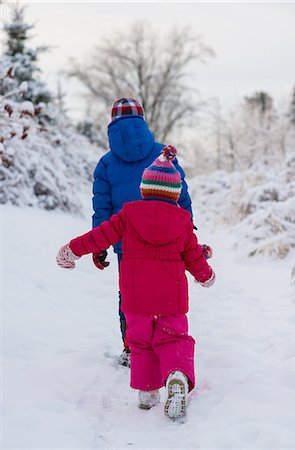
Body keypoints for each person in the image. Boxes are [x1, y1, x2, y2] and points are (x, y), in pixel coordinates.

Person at [57, 146, 215, 420]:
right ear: (176, 193)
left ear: (144, 189)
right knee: (174, 339)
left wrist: (71, 250)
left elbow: (99, 236)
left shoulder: (127, 216)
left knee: (141, 343)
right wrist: (206, 275)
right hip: (171, 300)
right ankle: (176, 375)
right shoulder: (183, 222)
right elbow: (192, 256)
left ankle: (147, 393)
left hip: (135, 299)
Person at [91, 98, 195, 367]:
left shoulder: (106, 164)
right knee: (166, 291)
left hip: (127, 243)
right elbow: (180, 194)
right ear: (143, 121)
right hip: (169, 241)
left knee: (130, 294)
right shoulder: (164, 154)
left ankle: (132, 348)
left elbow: (102, 205)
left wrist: (99, 244)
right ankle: (167, 343)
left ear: (112, 124)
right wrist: (188, 228)